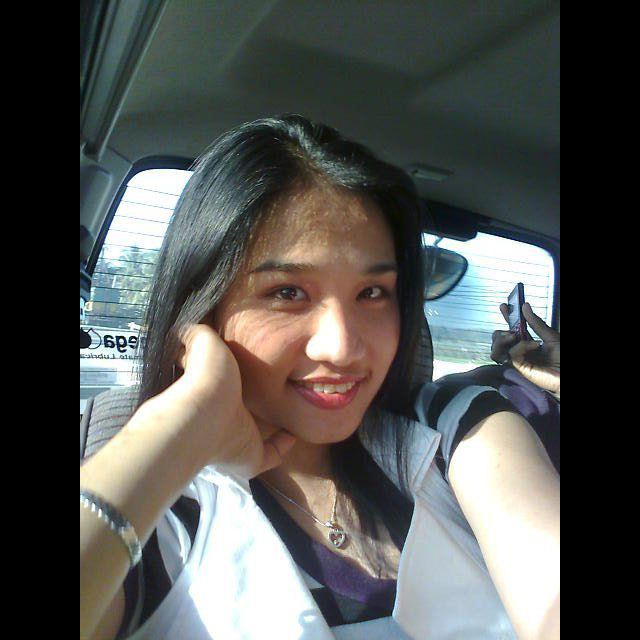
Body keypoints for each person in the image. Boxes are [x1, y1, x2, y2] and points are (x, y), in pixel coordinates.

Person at [80, 115, 559, 640]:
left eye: (372, 293)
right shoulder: (162, 514)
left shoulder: (455, 431)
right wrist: (175, 430)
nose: (342, 347)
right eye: (287, 292)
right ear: (206, 310)